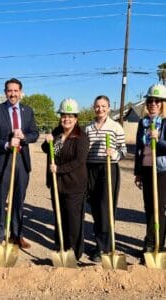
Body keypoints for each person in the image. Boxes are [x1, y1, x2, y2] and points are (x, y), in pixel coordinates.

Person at [0, 78, 39, 249]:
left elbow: (35, 133)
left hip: (22, 162)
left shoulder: (28, 111)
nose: (13, 94)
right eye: (10, 90)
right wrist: (7, 144)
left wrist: (24, 137)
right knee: (0, 200)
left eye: (16, 90)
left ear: (21, 92)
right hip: (3, 161)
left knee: (19, 200)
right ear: (5, 92)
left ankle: (17, 235)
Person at [41, 98, 89, 260]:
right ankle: (61, 245)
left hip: (74, 185)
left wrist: (59, 169)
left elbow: (79, 161)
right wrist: (47, 141)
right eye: (63, 115)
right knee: (59, 216)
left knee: (73, 219)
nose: (66, 119)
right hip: (57, 185)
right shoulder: (57, 132)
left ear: (76, 118)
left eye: (70, 116)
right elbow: (46, 149)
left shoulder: (81, 136)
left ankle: (74, 252)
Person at [85, 95, 127, 262]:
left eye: (103, 106)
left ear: (109, 108)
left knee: (106, 208)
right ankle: (99, 242)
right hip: (91, 169)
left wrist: (115, 153)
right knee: (95, 208)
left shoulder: (116, 127)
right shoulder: (88, 128)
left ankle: (104, 248)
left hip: (108, 168)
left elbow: (123, 150)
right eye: (97, 106)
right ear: (93, 108)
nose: (100, 109)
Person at [134, 84, 166, 256]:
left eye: (157, 100)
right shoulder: (143, 122)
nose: (153, 103)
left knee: (159, 208)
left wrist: (158, 140)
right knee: (148, 207)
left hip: (161, 170)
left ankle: (156, 244)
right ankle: (150, 241)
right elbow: (139, 147)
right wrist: (137, 171)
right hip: (146, 168)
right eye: (150, 100)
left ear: (162, 103)